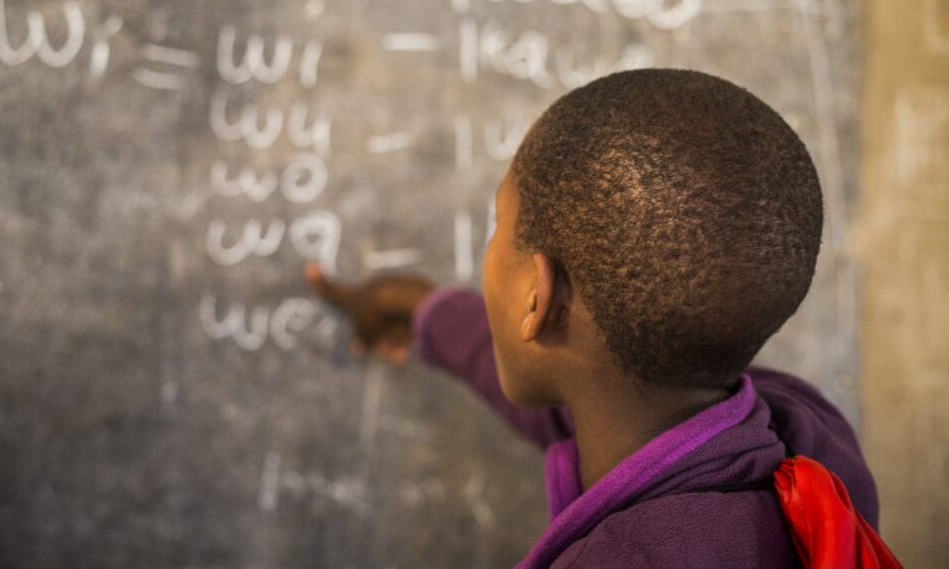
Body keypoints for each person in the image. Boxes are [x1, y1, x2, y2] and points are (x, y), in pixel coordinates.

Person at [305, 69, 892, 567]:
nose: (488, 250)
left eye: (497, 227)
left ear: (538, 298)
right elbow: (567, 387)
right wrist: (420, 308)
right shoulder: (811, 440)